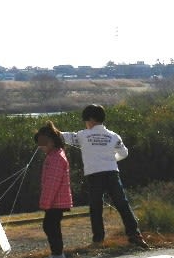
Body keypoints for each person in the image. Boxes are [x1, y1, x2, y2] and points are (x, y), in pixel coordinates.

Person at [61, 104, 149, 249]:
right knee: (122, 204)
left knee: (96, 207)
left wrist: (53, 131)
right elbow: (124, 153)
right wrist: (112, 159)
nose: (86, 123)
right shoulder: (113, 136)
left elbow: (66, 137)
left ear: (90, 119)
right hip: (112, 173)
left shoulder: (83, 135)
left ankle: (98, 240)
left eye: (86, 120)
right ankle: (135, 235)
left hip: (94, 175)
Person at [34, 121, 73, 258]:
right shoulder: (55, 155)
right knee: (51, 225)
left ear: (50, 141)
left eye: (42, 143)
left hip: (56, 201)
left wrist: (45, 202)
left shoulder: (56, 158)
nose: (40, 147)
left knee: (50, 226)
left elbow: (52, 183)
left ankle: (57, 255)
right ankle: (57, 254)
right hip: (56, 200)